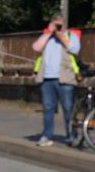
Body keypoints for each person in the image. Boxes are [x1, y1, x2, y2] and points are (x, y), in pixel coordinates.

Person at [32, 12, 81, 147]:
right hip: (47, 78)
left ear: (64, 24)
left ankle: (71, 135)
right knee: (48, 108)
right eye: (55, 23)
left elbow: (74, 49)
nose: (58, 26)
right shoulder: (47, 36)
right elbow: (36, 47)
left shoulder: (71, 35)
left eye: (60, 23)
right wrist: (48, 33)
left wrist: (59, 34)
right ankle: (46, 135)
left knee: (67, 108)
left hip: (64, 78)